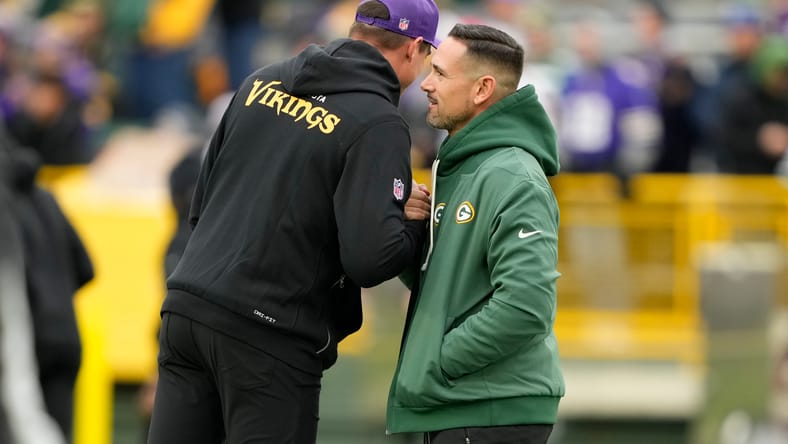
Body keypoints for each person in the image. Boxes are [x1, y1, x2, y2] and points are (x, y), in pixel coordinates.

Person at [146, 0, 440, 443]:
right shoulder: (379, 122)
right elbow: (370, 259)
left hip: (188, 309)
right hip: (270, 334)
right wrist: (412, 225)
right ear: (415, 48)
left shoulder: (262, 79)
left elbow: (199, 204)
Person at [386, 23, 564, 444]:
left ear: (483, 89)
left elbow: (526, 305)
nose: (426, 84)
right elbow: (450, 284)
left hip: (488, 410)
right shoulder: (463, 165)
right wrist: (415, 236)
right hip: (462, 406)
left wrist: (440, 359)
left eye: (442, 74)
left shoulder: (513, 175)